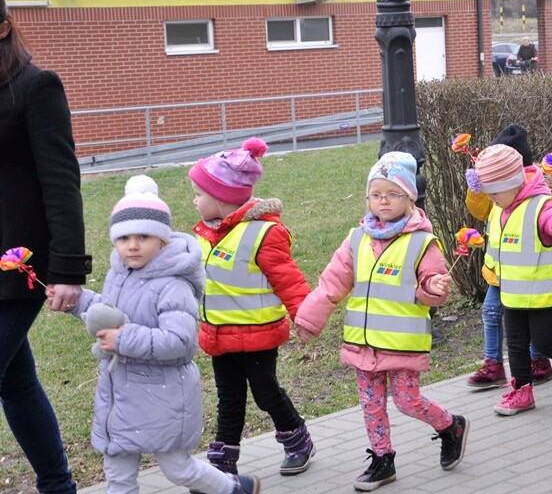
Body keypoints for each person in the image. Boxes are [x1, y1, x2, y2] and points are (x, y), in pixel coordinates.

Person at [56, 176, 260, 494]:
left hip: (163, 396)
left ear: (163, 239)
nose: (132, 245)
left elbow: (179, 342)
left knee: (178, 468)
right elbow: (109, 313)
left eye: (144, 236)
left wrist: (122, 340)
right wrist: (76, 300)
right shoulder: (119, 274)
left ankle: (234, 489)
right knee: (118, 474)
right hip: (121, 396)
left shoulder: (173, 284)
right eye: (124, 238)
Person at [294, 152, 469, 492]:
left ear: (409, 198)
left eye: (393, 194)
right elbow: (332, 283)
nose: (383, 200)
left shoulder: (422, 242)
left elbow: (431, 287)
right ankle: (382, 459)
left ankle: (451, 427)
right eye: (376, 194)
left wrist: (433, 288)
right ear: (368, 198)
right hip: (363, 343)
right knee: (372, 406)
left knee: (407, 401)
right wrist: (310, 319)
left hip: (401, 343)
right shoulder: (356, 239)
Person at [0, 0, 91, 494]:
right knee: (15, 381)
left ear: (3, 27)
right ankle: (58, 485)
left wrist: (68, 270)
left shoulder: (36, 86)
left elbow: (61, 181)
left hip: (18, 263)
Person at [189, 139, 314, 478]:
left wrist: (305, 315)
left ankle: (297, 438)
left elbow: (288, 279)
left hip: (258, 335)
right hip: (219, 335)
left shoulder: (265, 233)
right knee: (229, 400)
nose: (195, 200)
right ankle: (222, 461)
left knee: (266, 393)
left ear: (222, 197)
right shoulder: (203, 235)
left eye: (199, 193)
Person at [471, 144, 552, 416]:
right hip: (512, 294)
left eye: (495, 192)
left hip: (543, 295)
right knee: (515, 345)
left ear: (513, 183)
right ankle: (522, 392)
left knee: (544, 343)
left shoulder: (540, 205)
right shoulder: (500, 208)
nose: (491, 199)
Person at [463, 124, 552, 389]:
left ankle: (539, 360)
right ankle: (493, 364)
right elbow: (479, 210)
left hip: (527, 275)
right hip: (499, 273)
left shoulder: (533, 195)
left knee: (530, 321)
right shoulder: (496, 195)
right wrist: (475, 188)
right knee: (491, 312)